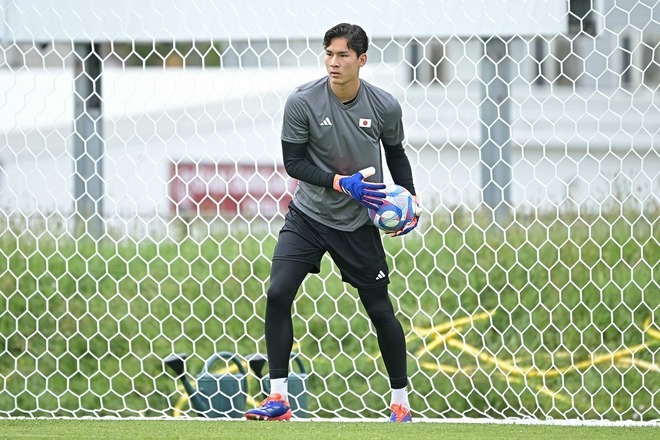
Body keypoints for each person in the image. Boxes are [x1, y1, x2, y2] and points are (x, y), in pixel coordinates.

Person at [244, 23, 421, 423]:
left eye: (342, 55)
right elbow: (294, 164)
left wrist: (410, 199)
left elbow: (396, 154)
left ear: (361, 60)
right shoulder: (302, 101)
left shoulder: (384, 105)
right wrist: (342, 182)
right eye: (328, 54)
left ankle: (400, 402)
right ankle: (279, 399)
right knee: (278, 292)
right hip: (308, 215)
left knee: (379, 308)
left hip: (358, 223)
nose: (333, 62)